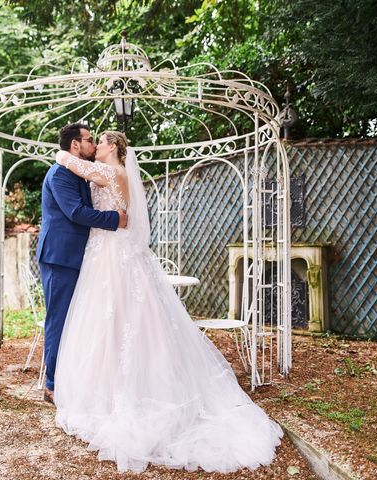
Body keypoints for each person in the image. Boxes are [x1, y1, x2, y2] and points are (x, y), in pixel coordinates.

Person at [52, 131, 283, 474]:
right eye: (93, 141)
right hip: (107, 253)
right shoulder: (119, 174)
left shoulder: (113, 173)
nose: (95, 146)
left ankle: (127, 391)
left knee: (120, 319)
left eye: (100, 141)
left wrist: (59, 154)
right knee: (110, 323)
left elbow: (77, 167)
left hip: (113, 255)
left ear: (114, 147)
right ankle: (109, 385)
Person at [37, 123, 128, 404]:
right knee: (59, 320)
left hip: (83, 257)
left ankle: (75, 377)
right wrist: (115, 220)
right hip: (60, 257)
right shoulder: (61, 173)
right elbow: (76, 212)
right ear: (75, 144)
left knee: (78, 320)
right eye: (89, 140)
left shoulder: (78, 169)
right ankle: (52, 384)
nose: (93, 144)